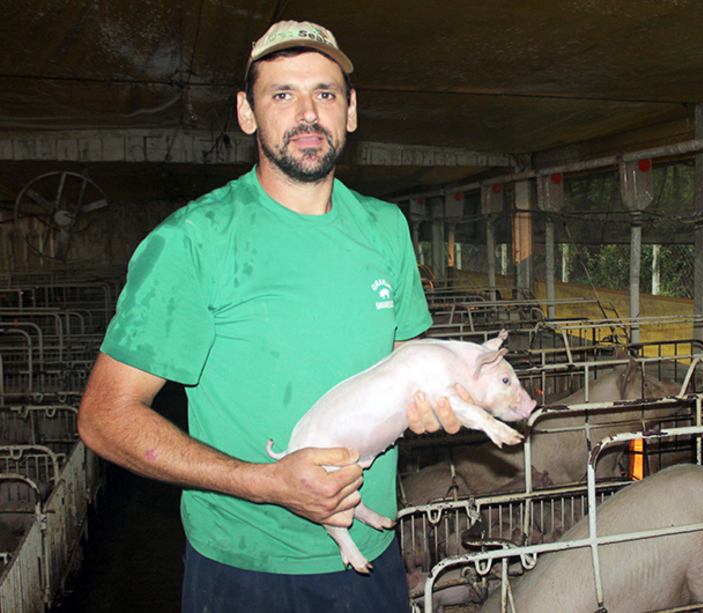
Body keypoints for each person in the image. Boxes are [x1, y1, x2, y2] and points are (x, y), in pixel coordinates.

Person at [77, 20, 461, 613]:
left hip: (374, 551)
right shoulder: (193, 241)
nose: (308, 114)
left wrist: (444, 401)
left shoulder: (387, 228)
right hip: (245, 569)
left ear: (351, 111)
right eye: (282, 94)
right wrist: (265, 483)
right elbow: (104, 418)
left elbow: (408, 366)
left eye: (325, 94)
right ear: (247, 113)